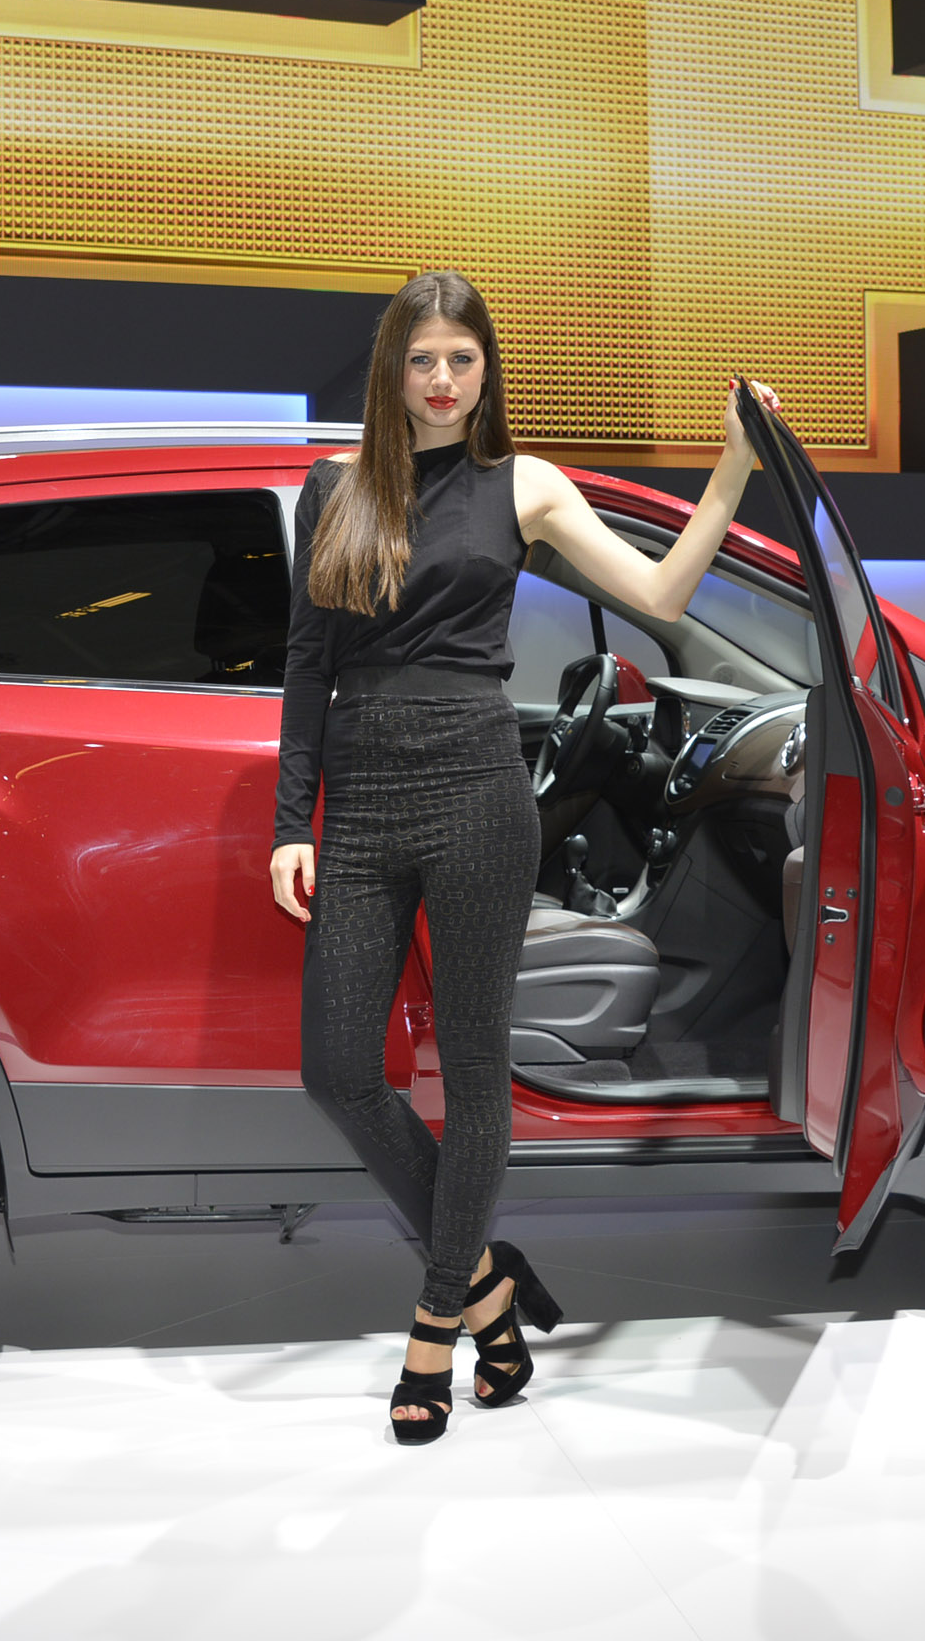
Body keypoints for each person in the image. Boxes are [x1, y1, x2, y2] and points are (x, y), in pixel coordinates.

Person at [268, 271, 778, 1443]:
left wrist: (732, 473)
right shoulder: (334, 489)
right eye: (421, 361)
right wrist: (294, 820)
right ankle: (495, 1285)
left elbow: (658, 591)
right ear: (391, 369)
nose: (443, 382)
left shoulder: (526, 486)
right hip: (365, 799)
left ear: (486, 367)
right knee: (338, 1067)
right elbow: (306, 664)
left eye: (463, 359)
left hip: (478, 795)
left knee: (477, 1064)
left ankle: (438, 1320)